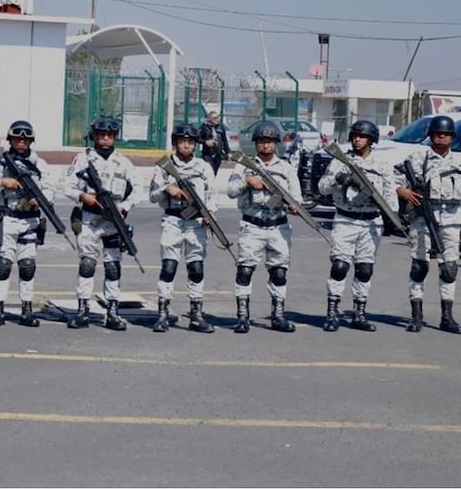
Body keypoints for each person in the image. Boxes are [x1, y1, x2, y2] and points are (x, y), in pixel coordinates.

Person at [395, 115, 461, 334]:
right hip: (423, 217)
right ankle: (416, 316)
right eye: (438, 133)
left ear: (452, 137)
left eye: (446, 134)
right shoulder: (417, 158)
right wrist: (401, 191)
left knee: (449, 269)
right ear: (431, 135)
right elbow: (393, 177)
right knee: (419, 266)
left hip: (451, 220)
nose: (442, 137)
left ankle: (447, 317)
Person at [316, 120, 398, 332]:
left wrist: (393, 217)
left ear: (371, 140)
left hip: (371, 221)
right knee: (340, 266)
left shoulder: (382, 163)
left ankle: (358, 313)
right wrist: (338, 178)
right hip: (346, 219)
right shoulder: (339, 161)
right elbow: (322, 187)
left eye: (362, 136)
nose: (357, 139)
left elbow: (390, 193)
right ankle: (332, 313)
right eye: (354, 136)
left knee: (364, 269)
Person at [63, 116, 139, 331]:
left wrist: (124, 207)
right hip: (89, 218)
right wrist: (82, 196)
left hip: (113, 218)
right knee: (87, 264)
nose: (105, 139)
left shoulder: (124, 163)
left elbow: (139, 189)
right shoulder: (82, 160)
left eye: (110, 135)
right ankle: (83, 310)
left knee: (113, 266)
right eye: (101, 135)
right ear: (95, 136)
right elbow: (67, 186)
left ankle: (113, 312)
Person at [226, 121, 302, 333]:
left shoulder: (286, 168)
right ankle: (242, 317)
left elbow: (297, 198)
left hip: (278, 227)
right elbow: (231, 190)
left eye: (269, 142)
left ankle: (278, 316)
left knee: (279, 273)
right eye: (261, 141)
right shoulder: (244, 166)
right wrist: (247, 180)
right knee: (245, 271)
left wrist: (293, 206)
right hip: (252, 226)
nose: (265, 146)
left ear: (276, 144)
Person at [0, 120, 51, 327]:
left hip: (30, 220)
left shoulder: (39, 164)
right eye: (17, 137)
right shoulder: (0, 163)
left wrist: (41, 199)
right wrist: (2, 182)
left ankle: (26, 310)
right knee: (3, 265)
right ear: (10, 139)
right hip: (7, 218)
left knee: (27, 266)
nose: (21, 141)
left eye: (25, 138)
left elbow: (50, 190)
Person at [147, 123, 217, 333]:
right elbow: (152, 195)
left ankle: (196, 315)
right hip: (173, 221)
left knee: (196, 268)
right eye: (182, 141)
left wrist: (210, 215)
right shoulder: (164, 166)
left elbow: (212, 195)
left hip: (196, 222)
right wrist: (167, 188)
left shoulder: (203, 167)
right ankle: (162, 313)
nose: (186, 145)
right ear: (175, 142)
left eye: (190, 141)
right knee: (169, 267)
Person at [199, 111, 231, 175]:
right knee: (209, 170)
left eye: (217, 117)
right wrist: (206, 142)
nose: (217, 119)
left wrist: (228, 152)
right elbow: (197, 138)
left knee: (216, 171)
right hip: (207, 154)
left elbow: (224, 140)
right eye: (214, 118)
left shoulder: (221, 127)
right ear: (209, 119)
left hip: (218, 154)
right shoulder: (204, 128)